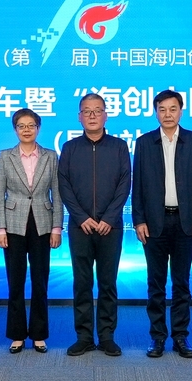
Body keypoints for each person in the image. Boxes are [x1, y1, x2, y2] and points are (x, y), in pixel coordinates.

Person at [132, 89, 192, 358]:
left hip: (185, 222)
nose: (167, 114)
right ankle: (157, 337)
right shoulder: (144, 143)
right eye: (162, 109)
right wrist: (139, 220)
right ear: (156, 112)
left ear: (181, 111)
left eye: (173, 109)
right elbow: (137, 185)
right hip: (154, 223)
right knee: (155, 284)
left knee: (181, 283)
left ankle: (180, 337)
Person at [58, 93, 131, 357]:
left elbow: (124, 183)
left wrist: (109, 218)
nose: (92, 115)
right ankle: (84, 337)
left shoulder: (119, 146)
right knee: (82, 283)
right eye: (87, 111)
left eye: (97, 110)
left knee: (108, 283)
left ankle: (107, 336)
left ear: (105, 115)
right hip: (80, 227)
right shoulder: (70, 148)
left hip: (111, 227)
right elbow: (64, 185)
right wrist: (81, 217)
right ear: (79, 117)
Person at [0, 108, 63, 354]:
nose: (26, 130)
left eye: (31, 125)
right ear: (15, 129)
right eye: (21, 126)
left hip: (43, 223)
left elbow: (57, 193)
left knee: (40, 281)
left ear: (38, 128)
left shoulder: (50, 156)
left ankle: (39, 334)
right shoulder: (5, 156)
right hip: (13, 224)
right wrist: (0, 229)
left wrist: (57, 227)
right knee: (15, 281)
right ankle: (17, 335)